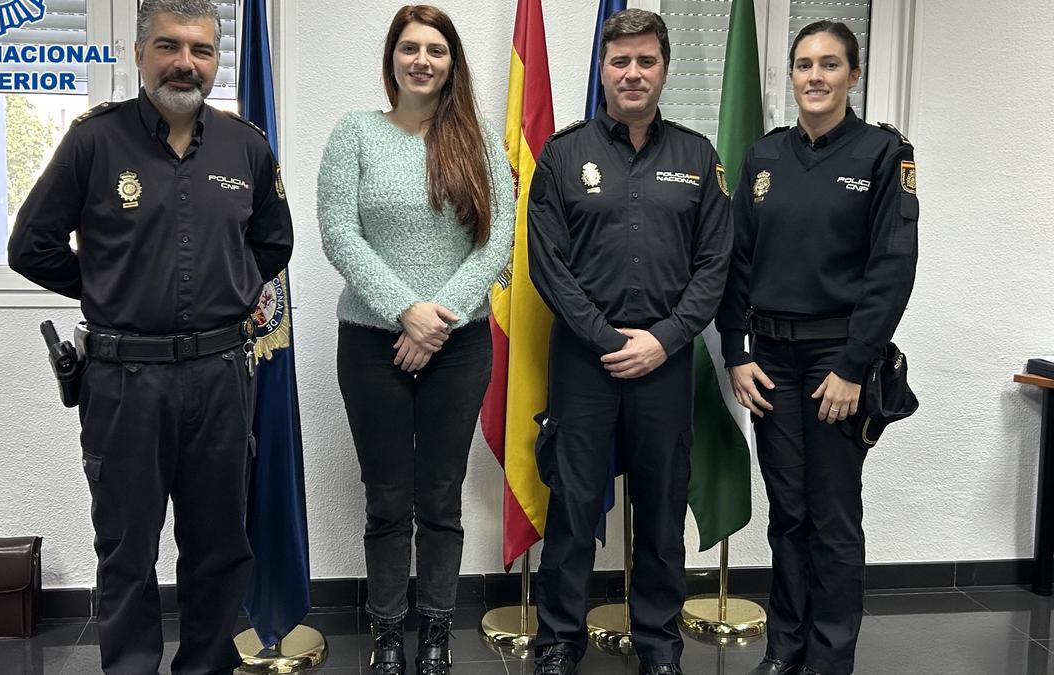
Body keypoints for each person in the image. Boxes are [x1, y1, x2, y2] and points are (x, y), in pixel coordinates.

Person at [7, 0, 293, 671]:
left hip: (222, 378)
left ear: (216, 61)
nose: (185, 63)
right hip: (124, 382)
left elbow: (273, 240)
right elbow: (31, 244)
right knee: (127, 550)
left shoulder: (245, 146)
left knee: (221, 546)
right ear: (140, 53)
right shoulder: (94, 140)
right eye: (169, 46)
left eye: (201, 50)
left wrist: (235, 288)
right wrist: (110, 286)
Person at [526, 9, 732, 675]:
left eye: (646, 61)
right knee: (574, 505)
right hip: (584, 363)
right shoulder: (562, 154)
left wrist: (665, 339)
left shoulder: (698, 157)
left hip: (665, 365)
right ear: (604, 70)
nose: (633, 73)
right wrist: (608, 337)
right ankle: (559, 639)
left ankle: (659, 644)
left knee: (662, 509)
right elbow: (546, 262)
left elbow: (715, 265)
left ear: (664, 69)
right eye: (621, 61)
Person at [717, 20, 919, 675]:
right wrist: (736, 350)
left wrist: (856, 366)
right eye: (804, 64)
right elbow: (736, 262)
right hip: (771, 360)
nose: (815, 76)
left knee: (832, 517)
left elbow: (893, 267)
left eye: (830, 64)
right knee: (788, 513)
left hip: (839, 362)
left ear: (853, 76)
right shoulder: (766, 157)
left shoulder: (882, 155)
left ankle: (830, 657)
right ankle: (786, 646)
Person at [316, 5, 513, 675]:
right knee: (387, 496)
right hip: (372, 342)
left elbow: (498, 241)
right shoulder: (356, 133)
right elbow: (339, 233)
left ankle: (435, 629)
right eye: (410, 47)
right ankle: (388, 631)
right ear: (393, 58)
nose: (422, 60)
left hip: (460, 344)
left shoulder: (479, 140)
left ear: (452, 62)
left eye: (436, 49)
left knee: (441, 495)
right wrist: (405, 310)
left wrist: (438, 319)